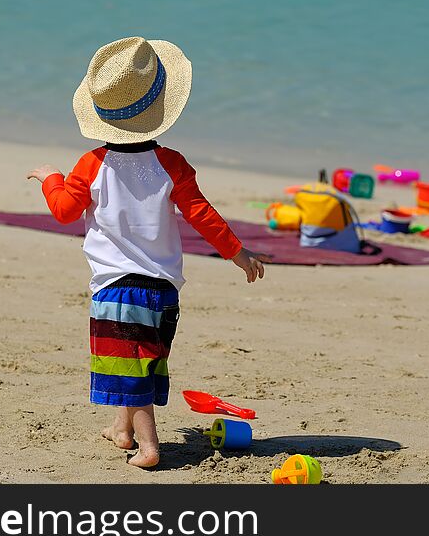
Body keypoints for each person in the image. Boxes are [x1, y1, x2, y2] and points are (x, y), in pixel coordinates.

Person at [27, 36, 269, 468]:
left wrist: (51, 178)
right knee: (142, 362)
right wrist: (239, 253)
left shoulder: (91, 164)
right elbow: (202, 214)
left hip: (119, 290)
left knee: (130, 370)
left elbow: (64, 211)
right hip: (163, 291)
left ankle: (150, 447)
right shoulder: (172, 163)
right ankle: (122, 429)